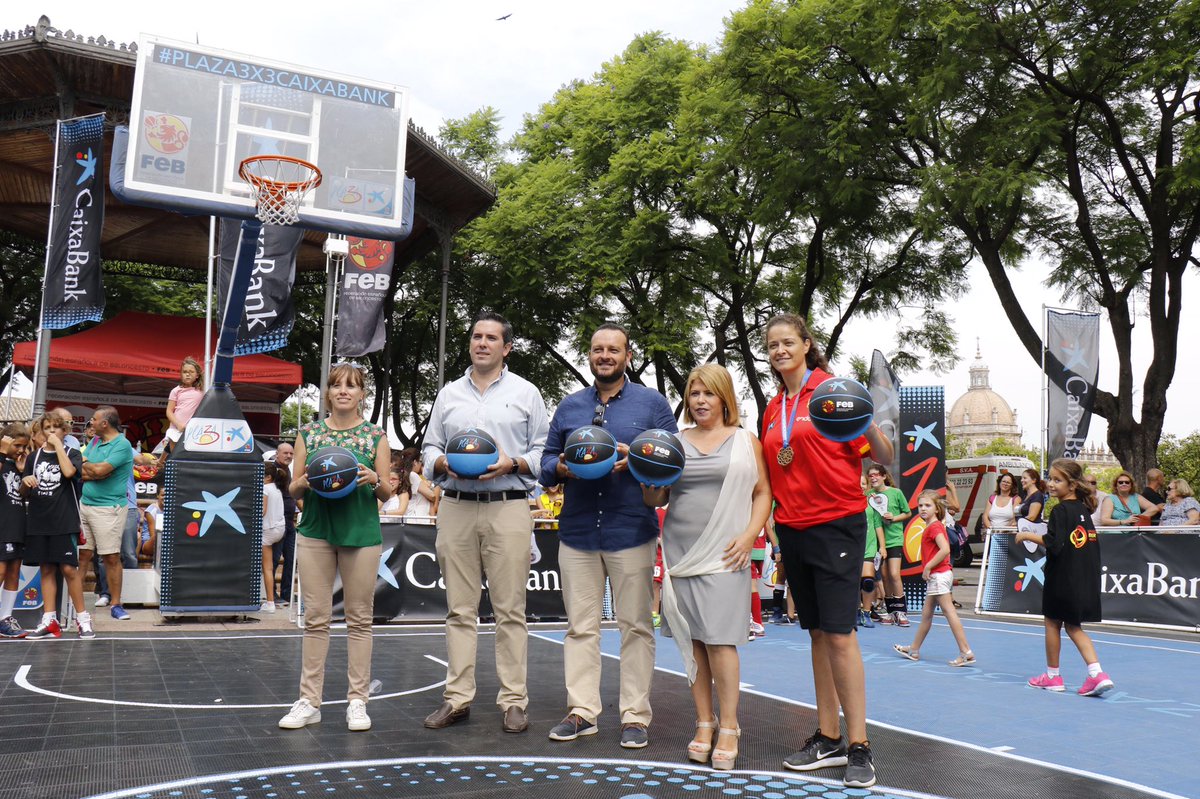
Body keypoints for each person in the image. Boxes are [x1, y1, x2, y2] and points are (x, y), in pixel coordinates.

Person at [760, 313, 893, 789]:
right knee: (816, 633)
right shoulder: (775, 407)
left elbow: (883, 456)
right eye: (772, 345)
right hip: (792, 527)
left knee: (839, 635)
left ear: (806, 344)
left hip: (837, 523)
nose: (779, 350)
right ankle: (828, 736)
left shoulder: (833, 392)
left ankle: (860, 747)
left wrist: (871, 422)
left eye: (787, 342)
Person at [540, 323, 676, 749]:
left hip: (630, 528)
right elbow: (546, 461)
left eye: (613, 349)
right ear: (590, 355)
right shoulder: (569, 407)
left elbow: (672, 459)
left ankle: (635, 716)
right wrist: (563, 467)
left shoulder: (652, 404)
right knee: (581, 628)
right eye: (598, 349)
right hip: (578, 530)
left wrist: (632, 457)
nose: (605, 356)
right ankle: (583, 711)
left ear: (628, 355)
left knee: (636, 626)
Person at [421, 312, 548, 735]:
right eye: (477, 336)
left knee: (510, 610)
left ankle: (513, 701)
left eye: (492, 338)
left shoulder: (527, 393)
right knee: (459, 610)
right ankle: (457, 699)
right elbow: (431, 446)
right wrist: (441, 463)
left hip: (508, 504)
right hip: (455, 505)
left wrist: (512, 462)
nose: (482, 343)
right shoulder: (449, 394)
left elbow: (543, 450)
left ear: (506, 347)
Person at [641, 363, 772, 770]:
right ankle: (704, 723)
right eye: (694, 394)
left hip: (726, 552)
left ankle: (729, 726)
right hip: (681, 551)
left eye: (708, 393)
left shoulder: (746, 441)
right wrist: (647, 479)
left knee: (720, 640)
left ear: (724, 398)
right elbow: (656, 501)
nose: (700, 401)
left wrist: (750, 535)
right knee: (692, 640)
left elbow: (764, 492)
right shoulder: (674, 442)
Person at [278, 362, 391, 733]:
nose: (343, 390)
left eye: (352, 386)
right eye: (337, 385)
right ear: (327, 393)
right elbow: (293, 489)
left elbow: (388, 493)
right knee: (316, 620)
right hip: (315, 532)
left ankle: (357, 700)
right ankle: (309, 701)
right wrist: (307, 482)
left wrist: (375, 479)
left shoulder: (376, 437)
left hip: (360, 533)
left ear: (362, 394)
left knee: (359, 620)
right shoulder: (308, 435)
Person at [1016, 458, 1114, 697]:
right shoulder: (1083, 510)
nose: (1051, 483)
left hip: (1062, 577)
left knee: (1052, 623)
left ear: (1072, 485)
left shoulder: (1060, 510)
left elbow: (1054, 543)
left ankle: (1052, 676)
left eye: (1057, 480)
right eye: (1050, 478)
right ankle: (1096, 673)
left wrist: (1026, 536)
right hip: (1082, 577)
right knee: (1073, 627)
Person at [22, 414, 91, 639]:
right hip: (40, 520)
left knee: (69, 569)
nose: (51, 432)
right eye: (47, 428)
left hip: (64, 520)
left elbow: (70, 473)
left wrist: (58, 446)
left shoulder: (72, 453)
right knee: (47, 569)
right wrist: (25, 482)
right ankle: (49, 620)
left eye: (56, 428)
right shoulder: (34, 456)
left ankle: (83, 619)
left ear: (65, 431)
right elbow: (25, 492)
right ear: (40, 431)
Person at [893, 490, 975, 666]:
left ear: (936, 508)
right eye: (921, 505)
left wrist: (929, 566)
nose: (923, 508)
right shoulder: (933, 526)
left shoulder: (935, 527)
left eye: (927, 505)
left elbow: (945, 549)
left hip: (938, 575)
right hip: (937, 576)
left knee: (949, 612)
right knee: (927, 615)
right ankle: (914, 649)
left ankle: (966, 651)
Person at [78, 406, 135, 622]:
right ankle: (76, 605)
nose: (90, 423)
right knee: (83, 555)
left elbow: (101, 471)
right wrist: (88, 466)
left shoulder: (122, 444)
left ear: (105, 423)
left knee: (110, 556)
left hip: (108, 508)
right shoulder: (94, 441)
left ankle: (116, 604)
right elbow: (83, 471)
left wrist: (89, 468)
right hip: (86, 505)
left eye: (93, 420)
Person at [865, 463, 911, 626]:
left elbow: (908, 513)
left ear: (884, 476)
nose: (874, 477)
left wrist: (894, 518)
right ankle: (891, 611)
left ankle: (901, 611)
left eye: (877, 474)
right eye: (870, 475)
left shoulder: (896, 493)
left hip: (894, 540)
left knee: (893, 574)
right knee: (884, 577)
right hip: (875, 543)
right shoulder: (867, 495)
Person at [0, 422, 30, 637]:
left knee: (13, 571)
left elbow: (21, 496)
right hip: (1, 524)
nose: (20, 450)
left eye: (24, 446)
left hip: (17, 523)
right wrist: (2, 452)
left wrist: (23, 474)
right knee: (1, 570)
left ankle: (5, 617)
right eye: (17, 445)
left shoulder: (19, 464)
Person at [271, 442, 298, 604]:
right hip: (276, 521)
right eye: (285, 453)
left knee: (291, 559)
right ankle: (271, 593)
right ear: (277, 454)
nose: (288, 456)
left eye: (291, 453)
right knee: (274, 559)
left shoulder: (288, 471)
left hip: (289, 521)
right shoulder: (273, 471)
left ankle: (286, 593)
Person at [857, 475, 884, 629]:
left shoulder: (872, 502)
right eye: (858, 483)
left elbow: (877, 525)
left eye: (863, 483)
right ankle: (855, 613)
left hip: (869, 547)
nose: (861, 486)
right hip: (852, 547)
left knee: (868, 582)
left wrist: (882, 546)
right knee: (853, 583)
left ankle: (866, 613)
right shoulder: (847, 502)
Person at [260, 462, 286, 612]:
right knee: (270, 567)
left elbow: (262, 511)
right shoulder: (277, 489)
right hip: (280, 529)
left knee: (267, 568)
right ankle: (270, 601)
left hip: (268, 530)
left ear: (268, 477)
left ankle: (270, 603)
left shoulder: (264, 488)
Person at [164, 356, 204, 451]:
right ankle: (162, 461)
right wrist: (178, 424)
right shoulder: (176, 391)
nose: (188, 374)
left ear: (197, 375)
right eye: (185, 372)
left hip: (194, 430)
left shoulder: (202, 391)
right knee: (174, 456)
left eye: (191, 372)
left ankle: (161, 460)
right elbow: (169, 411)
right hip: (176, 429)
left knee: (190, 455)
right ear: (181, 374)